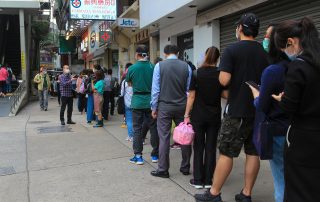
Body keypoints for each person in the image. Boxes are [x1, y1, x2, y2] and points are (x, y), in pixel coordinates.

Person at [195, 13, 269, 202]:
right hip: (257, 110)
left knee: (227, 152)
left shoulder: (231, 50)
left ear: (241, 29)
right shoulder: (263, 52)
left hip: (237, 111)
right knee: (253, 153)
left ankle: (214, 194)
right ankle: (246, 193)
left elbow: (224, 79)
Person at [272, 17, 320, 202]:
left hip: (303, 140)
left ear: (291, 42)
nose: (285, 53)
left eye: (284, 48)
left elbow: (289, 107)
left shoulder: (298, 66)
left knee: (299, 189)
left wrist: (282, 99)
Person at [248, 24, 289, 202]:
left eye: (267, 36)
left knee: (280, 179)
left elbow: (262, 105)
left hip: (278, 131)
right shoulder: (297, 66)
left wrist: (256, 95)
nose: (264, 39)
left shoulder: (272, 71)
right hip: (298, 131)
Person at [184, 46, 226, 189]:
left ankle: (197, 180)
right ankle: (209, 180)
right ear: (218, 58)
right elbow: (226, 95)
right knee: (211, 147)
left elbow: (191, 96)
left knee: (198, 147)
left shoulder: (196, 73)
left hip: (198, 116)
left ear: (206, 56)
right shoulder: (221, 74)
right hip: (214, 116)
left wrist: (186, 115)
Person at [150, 44, 192, 178]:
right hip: (182, 106)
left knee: (164, 137)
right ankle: (185, 167)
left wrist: (154, 107)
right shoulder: (187, 67)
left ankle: (163, 169)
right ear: (178, 53)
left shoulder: (159, 66)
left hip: (164, 107)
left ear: (164, 54)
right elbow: (188, 90)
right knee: (185, 137)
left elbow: (155, 90)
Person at [126, 44, 159, 165]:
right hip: (151, 101)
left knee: (137, 129)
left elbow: (129, 83)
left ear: (137, 54)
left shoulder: (132, 68)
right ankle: (155, 155)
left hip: (137, 101)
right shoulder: (153, 66)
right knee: (154, 128)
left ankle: (138, 156)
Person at [120, 63, 133, 141]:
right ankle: (137, 136)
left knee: (129, 120)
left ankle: (130, 136)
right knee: (137, 121)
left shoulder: (124, 82)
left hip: (127, 103)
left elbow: (121, 93)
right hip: (136, 103)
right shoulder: (137, 81)